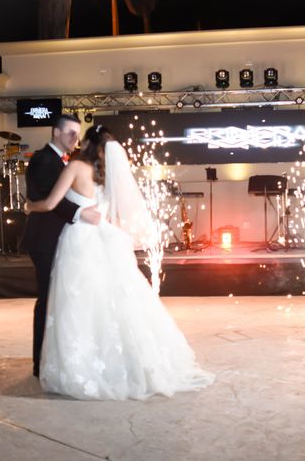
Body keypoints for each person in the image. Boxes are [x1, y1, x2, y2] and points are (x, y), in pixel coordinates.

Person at [26, 124, 214, 400]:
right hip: (105, 238)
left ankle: (82, 361)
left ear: (87, 143)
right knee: (109, 298)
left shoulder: (76, 167)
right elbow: (114, 214)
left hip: (78, 241)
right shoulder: (108, 175)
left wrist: (30, 205)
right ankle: (118, 360)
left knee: (77, 302)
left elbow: (51, 203)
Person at [22, 114, 101, 378]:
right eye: (69, 133)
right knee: (47, 299)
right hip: (44, 240)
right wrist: (82, 213)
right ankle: (39, 363)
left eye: (77, 134)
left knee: (59, 299)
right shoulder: (44, 160)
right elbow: (48, 200)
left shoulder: (61, 160)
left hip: (59, 238)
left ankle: (54, 357)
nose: (74, 138)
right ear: (56, 132)